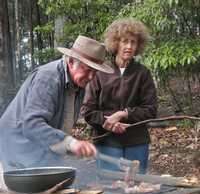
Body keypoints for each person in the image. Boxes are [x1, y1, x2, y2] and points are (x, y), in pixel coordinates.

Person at [0, 35, 114, 171]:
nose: (91, 77)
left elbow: (60, 125)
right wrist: (70, 143)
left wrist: (73, 147)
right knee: (36, 188)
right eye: (88, 70)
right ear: (71, 61)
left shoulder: (79, 85)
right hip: (20, 148)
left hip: (41, 148)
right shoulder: (48, 77)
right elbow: (31, 124)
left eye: (94, 72)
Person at [82, 18, 157, 174]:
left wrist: (124, 113)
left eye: (133, 42)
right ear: (116, 43)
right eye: (125, 41)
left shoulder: (142, 73)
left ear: (138, 46)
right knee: (112, 191)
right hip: (106, 141)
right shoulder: (100, 72)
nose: (129, 46)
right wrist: (109, 122)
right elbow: (88, 111)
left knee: (137, 189)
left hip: (136, 142)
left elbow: (150, 110)